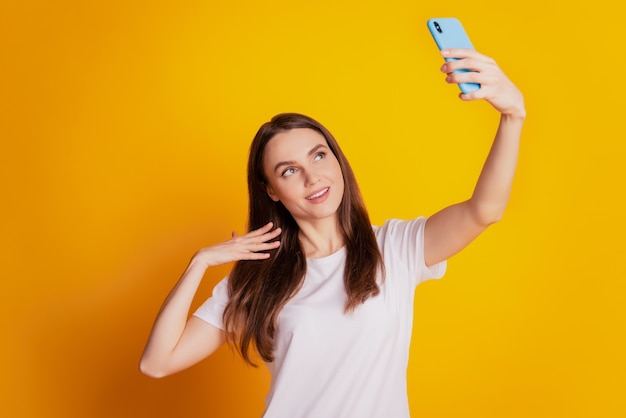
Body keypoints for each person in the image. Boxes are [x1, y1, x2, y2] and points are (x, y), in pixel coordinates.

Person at [140, 48, 525, 417]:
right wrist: (200, 262)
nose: (312, 177)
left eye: (319, 155)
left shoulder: (393, 248)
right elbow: (157, 363)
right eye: (289, 170)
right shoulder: (258, 280)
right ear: (272, 190)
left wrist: (513, 116)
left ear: (337, 160)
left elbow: (485, 210)